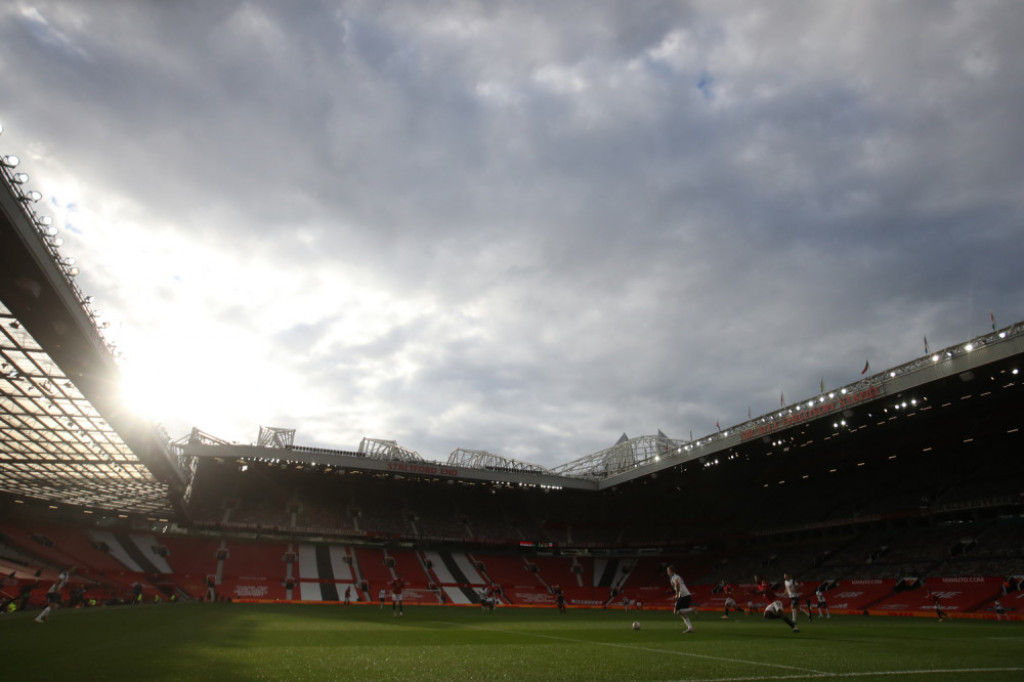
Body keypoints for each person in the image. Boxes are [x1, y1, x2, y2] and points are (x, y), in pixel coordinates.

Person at [666, 565, 695, 634]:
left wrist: (677, 594)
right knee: (681, 612)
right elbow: (678, 585)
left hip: (683, 595)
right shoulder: (677, 576)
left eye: (668, 571)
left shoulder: (674, 577)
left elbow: (677, 583)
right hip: (687, 595)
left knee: (676, 611)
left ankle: (692, 609)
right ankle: (690, 628)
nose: (667, 572)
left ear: (671, 571)